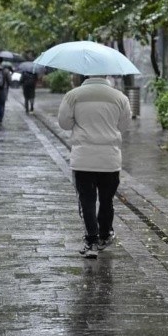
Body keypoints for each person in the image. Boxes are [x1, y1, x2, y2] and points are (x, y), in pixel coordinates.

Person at [58, 75, 131, 258]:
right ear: (106, 74)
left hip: (84, 159)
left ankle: (91, 240)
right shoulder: (120, 97)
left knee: (87, 200)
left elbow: (64, 123)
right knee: (107, 200)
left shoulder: (73, 96)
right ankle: (105, 235)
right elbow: (123, 126)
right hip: (110, 159)